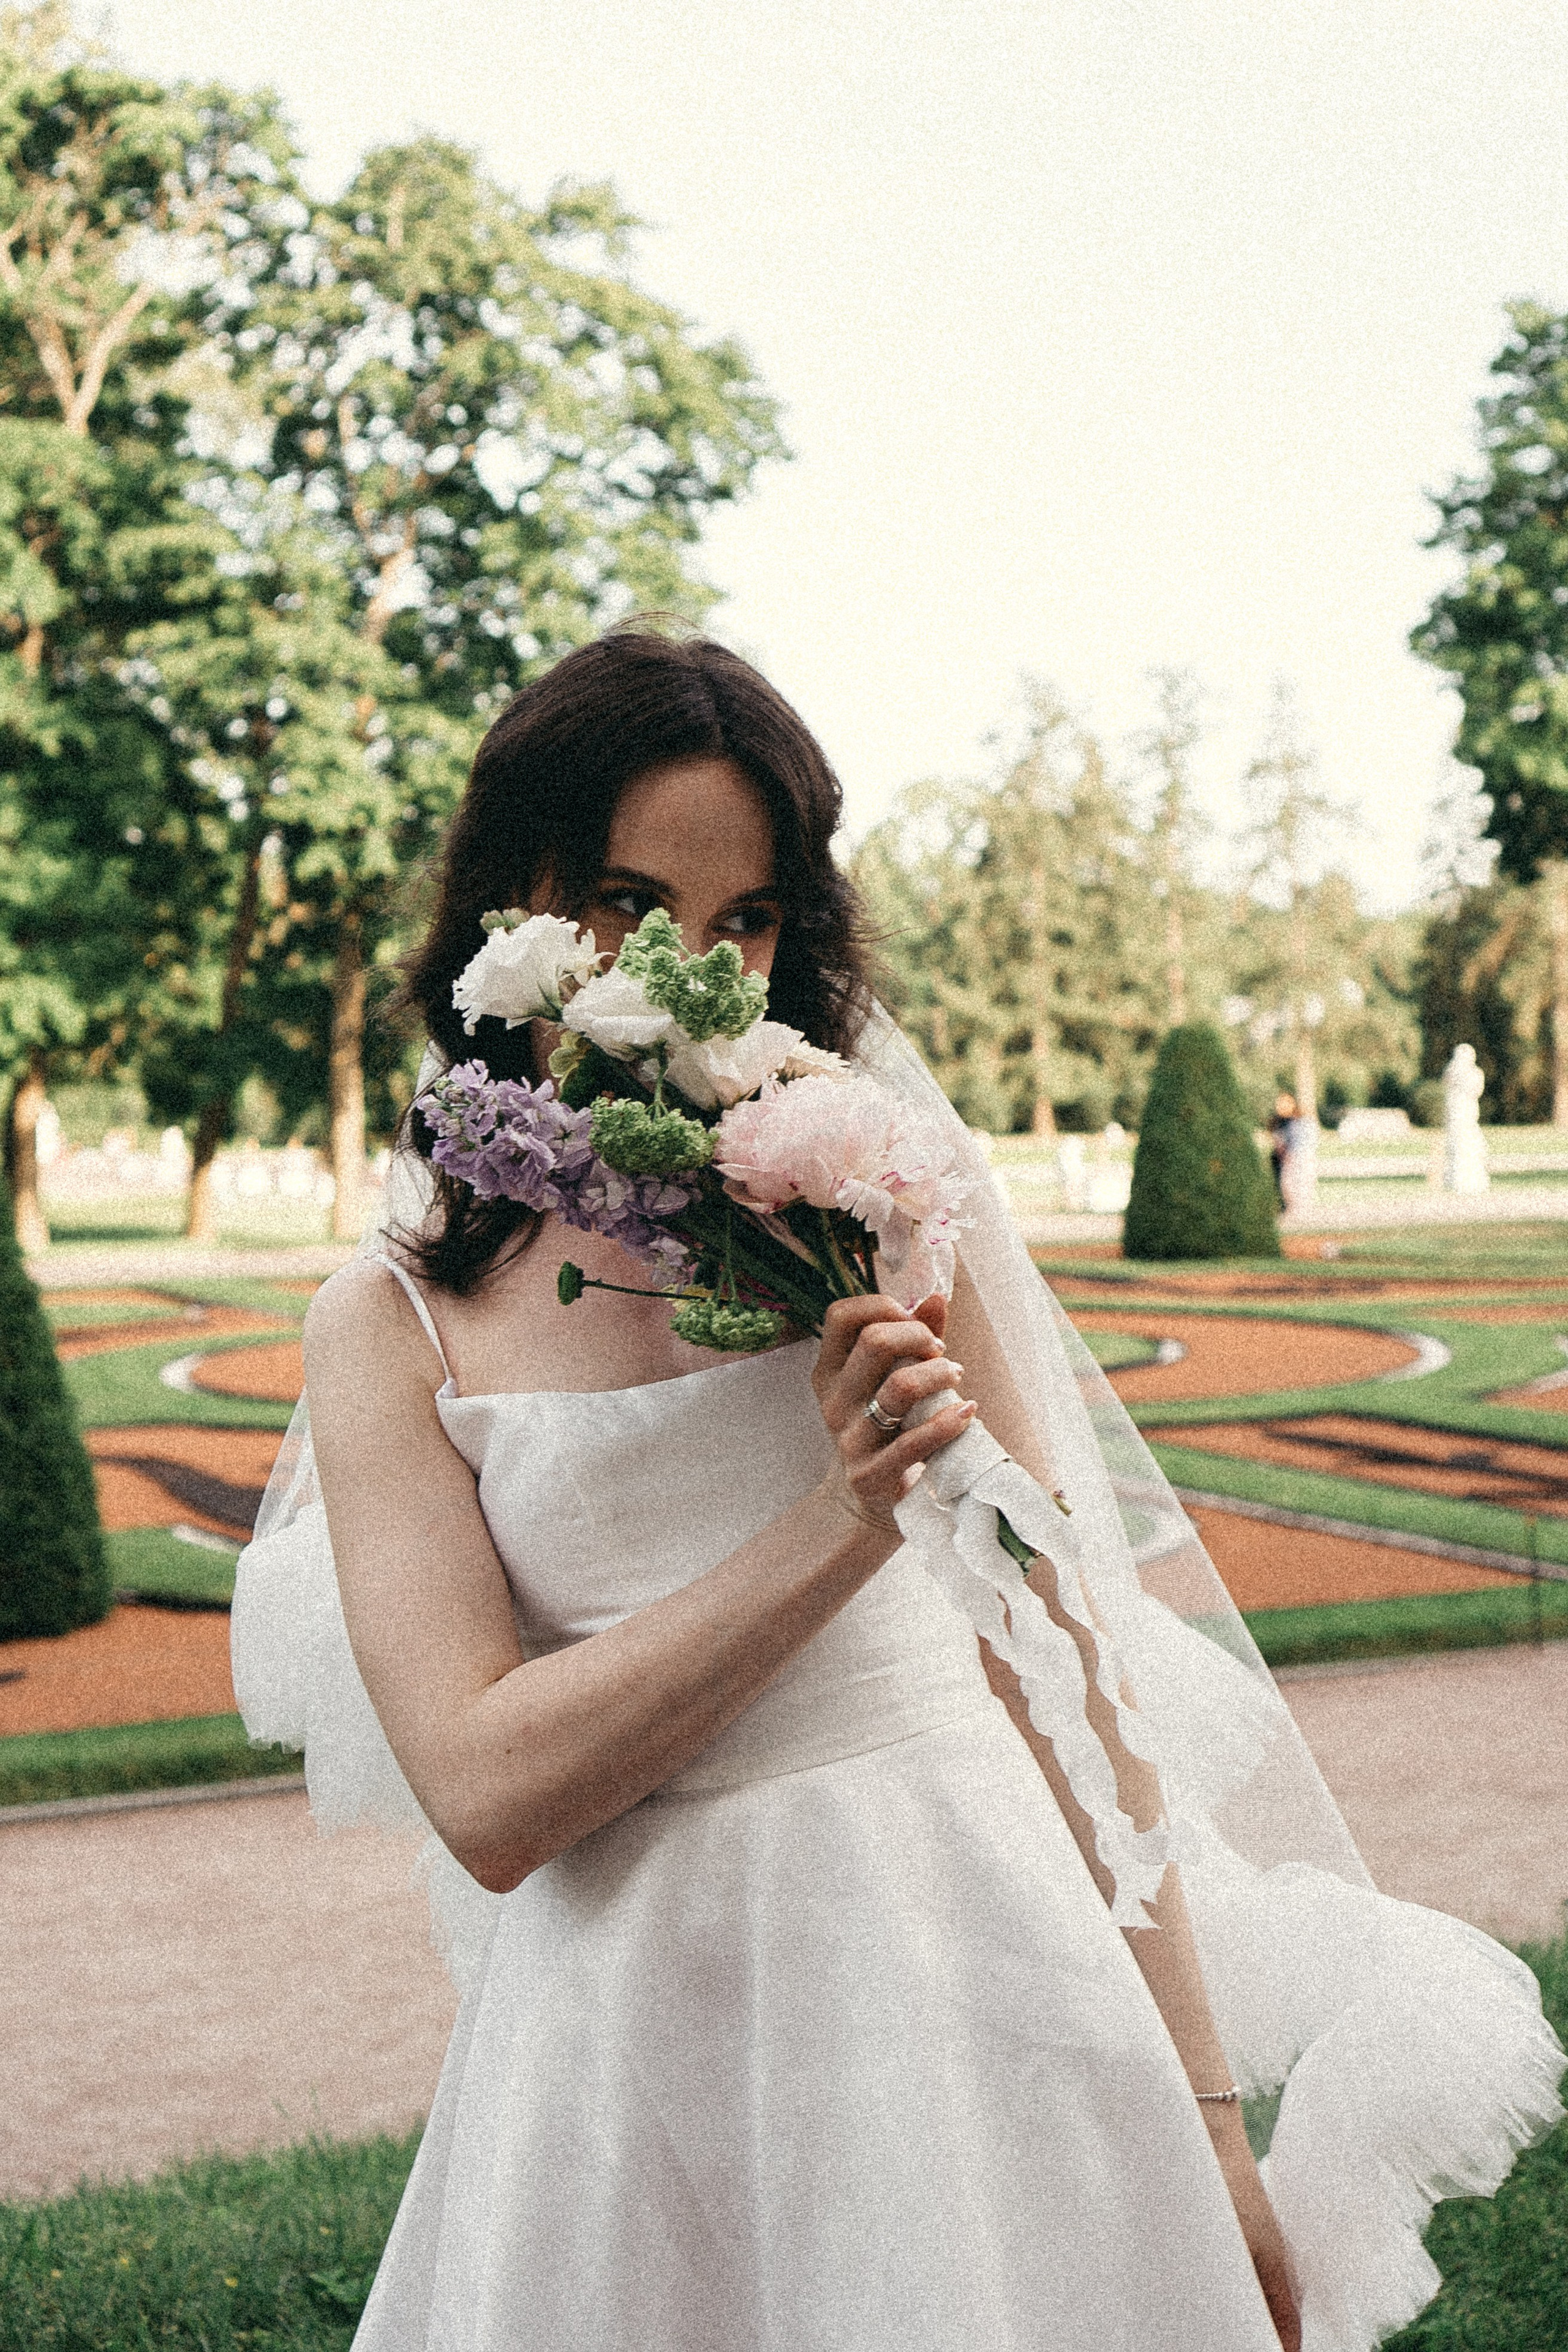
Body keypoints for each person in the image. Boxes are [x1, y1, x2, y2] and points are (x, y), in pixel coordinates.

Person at [233, 627, 1561, 2352]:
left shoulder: (880, 1210)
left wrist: (1211, 2120)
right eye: (633, 908)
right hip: (629, 2052)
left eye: (748, 921)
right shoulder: (389, 1324)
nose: (695, 971)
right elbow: (488, 1798)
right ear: (516, 903)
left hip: (976, 1978)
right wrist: (844, 1521)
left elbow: (1063, 1657)